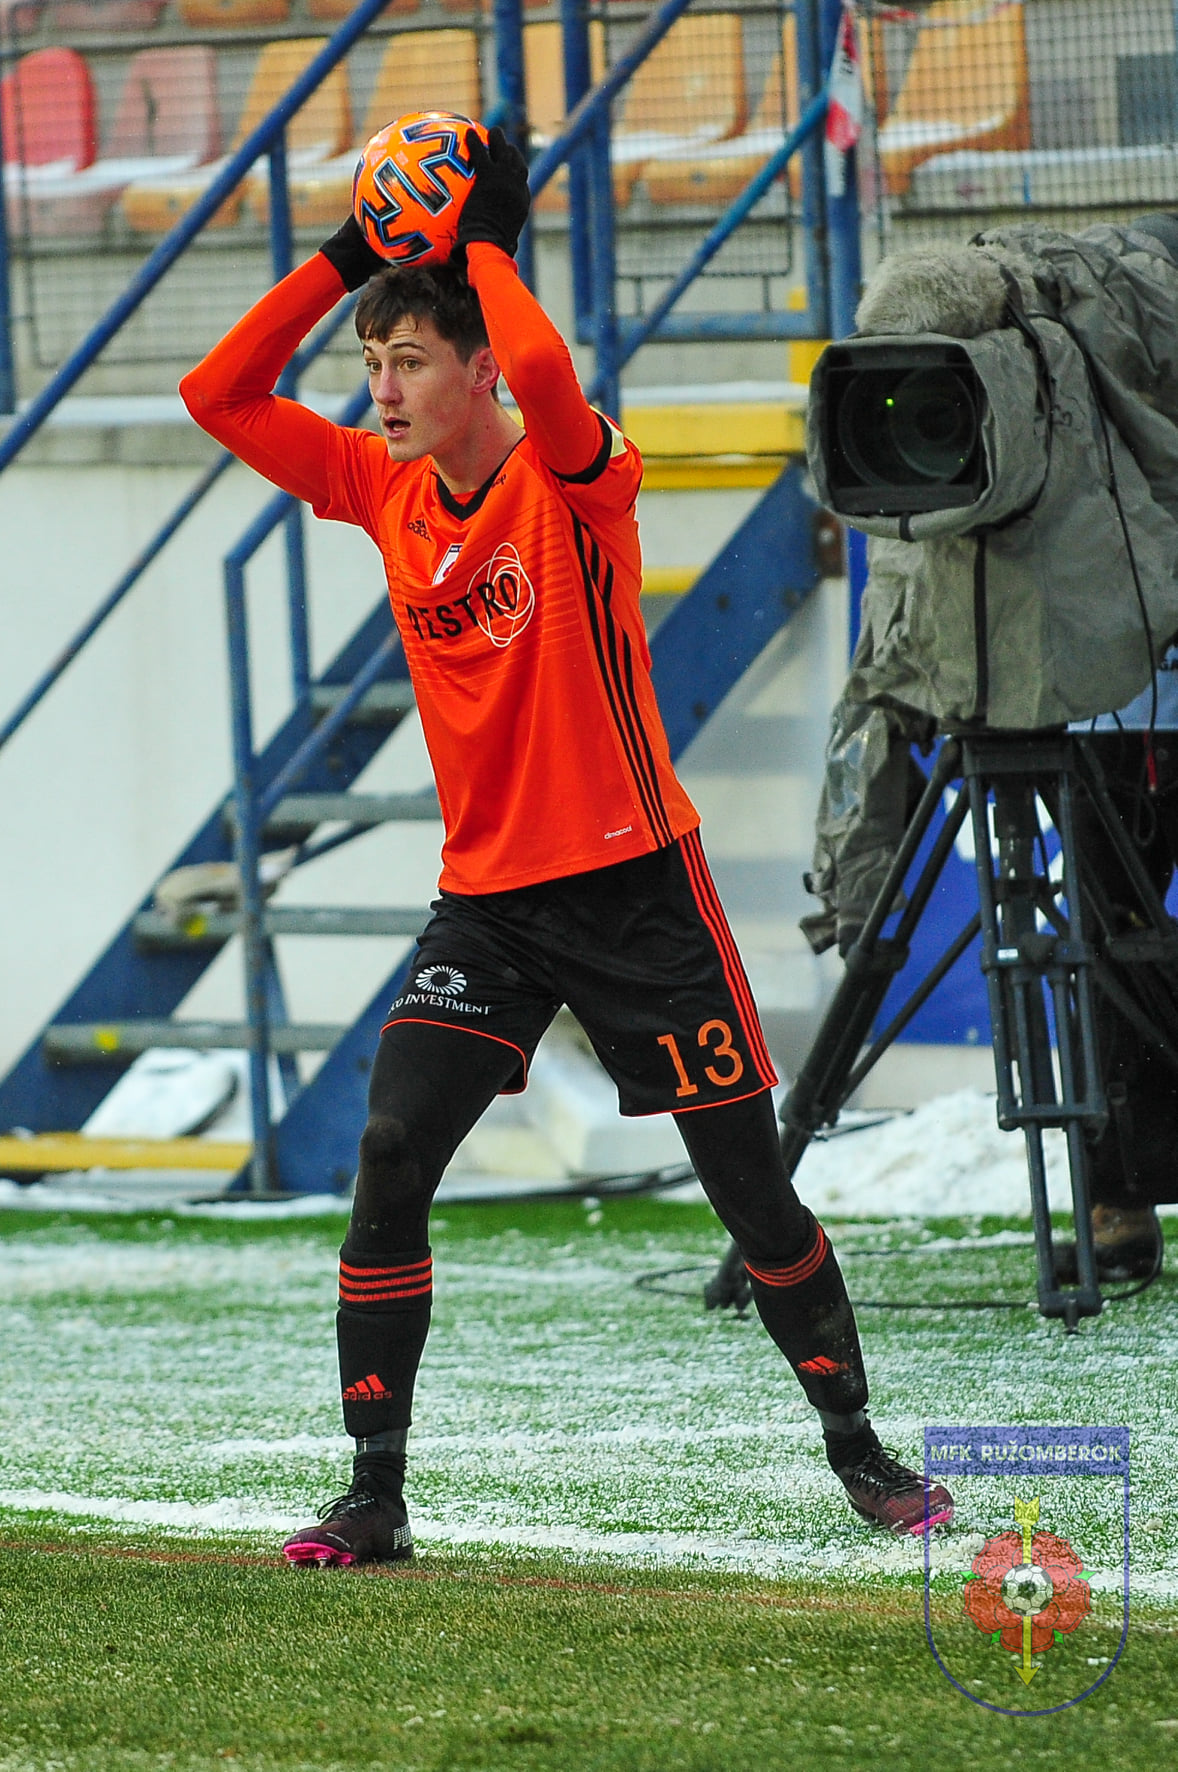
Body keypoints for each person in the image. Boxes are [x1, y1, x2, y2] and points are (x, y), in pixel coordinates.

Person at [180, 128, 953, 1564]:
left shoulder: (570, 477)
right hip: (487, 907)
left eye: (411, 360)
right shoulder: (382, 489)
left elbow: (545, 374)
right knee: (391, 1150)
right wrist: (347, 259)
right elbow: (214, 393)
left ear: (477, 370)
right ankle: (374, 1495)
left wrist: (483, 240)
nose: (381, 390)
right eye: (372, 363)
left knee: (750, 1190)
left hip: (635, 887)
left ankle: (861, 1452)